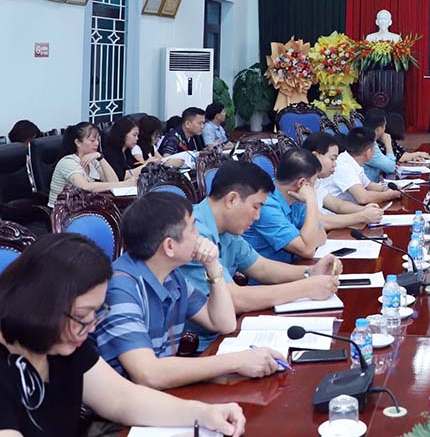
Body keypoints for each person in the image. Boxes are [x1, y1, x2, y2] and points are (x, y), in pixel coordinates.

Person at [0, 233, 246, 436]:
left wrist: (204, 413)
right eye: (83, 315)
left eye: (96, 312)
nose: (91, 327)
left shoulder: (63, 341)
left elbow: (122, 398)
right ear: (42, 304)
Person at [93, 192, 287, 390]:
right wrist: (237, 361)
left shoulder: (171, 275)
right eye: (193, 228)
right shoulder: (121, 288)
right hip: (124, 403)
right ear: (170, 246)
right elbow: (148, 374)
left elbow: (223, 323)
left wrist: (213, 266)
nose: (200, 236)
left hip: (159, 392)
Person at [180, 161, 343, 350]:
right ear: (232, 200)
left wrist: (310, 272)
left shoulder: (227, 227)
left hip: (228, 331)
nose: (257, 216)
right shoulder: (193, 233)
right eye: (256, 207)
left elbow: (262, 268)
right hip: (200, 347)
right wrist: (306, 288)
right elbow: (234, 298)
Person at [242, 148, 328, 264]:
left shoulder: (296, 197)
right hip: (268, 274)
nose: (313, 188)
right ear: (301, 183)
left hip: (292, 266)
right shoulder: (265, 206)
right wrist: (312, 200)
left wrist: (307, 242)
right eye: (314, 182)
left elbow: (322, 235)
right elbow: (307, 250)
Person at [302, 132, 384, 230]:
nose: (335, 164)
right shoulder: (300, 184)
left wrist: (363, 209)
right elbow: (321, 221)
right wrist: (362, 216)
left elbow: (338, 205)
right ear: (315, 156)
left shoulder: (316, 182)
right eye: (332, 159)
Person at [47, 122, 134, 207]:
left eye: (98, 140)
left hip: (82, 207)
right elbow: (85, 187)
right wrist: (124, 184)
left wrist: (100, 157)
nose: (97, 143)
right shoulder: (68, 162)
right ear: (78, 142)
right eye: (92, 140)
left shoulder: (92, 160)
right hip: (62, 210)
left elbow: (113, 182)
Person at [325, 127, 404, 206]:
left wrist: (385, 189)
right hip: (336, 212)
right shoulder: (344, 166)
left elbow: (368, 185)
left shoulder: (352, 160)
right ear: (368, 152)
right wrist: (391, 195)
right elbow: (363, 198)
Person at [362, 109, 397, 182]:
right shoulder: (368, 145)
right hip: (367, 186)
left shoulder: (365, 138)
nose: (385, 129)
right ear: (379, 129)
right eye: (384, 126)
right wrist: (388, 144)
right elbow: (391, 168)